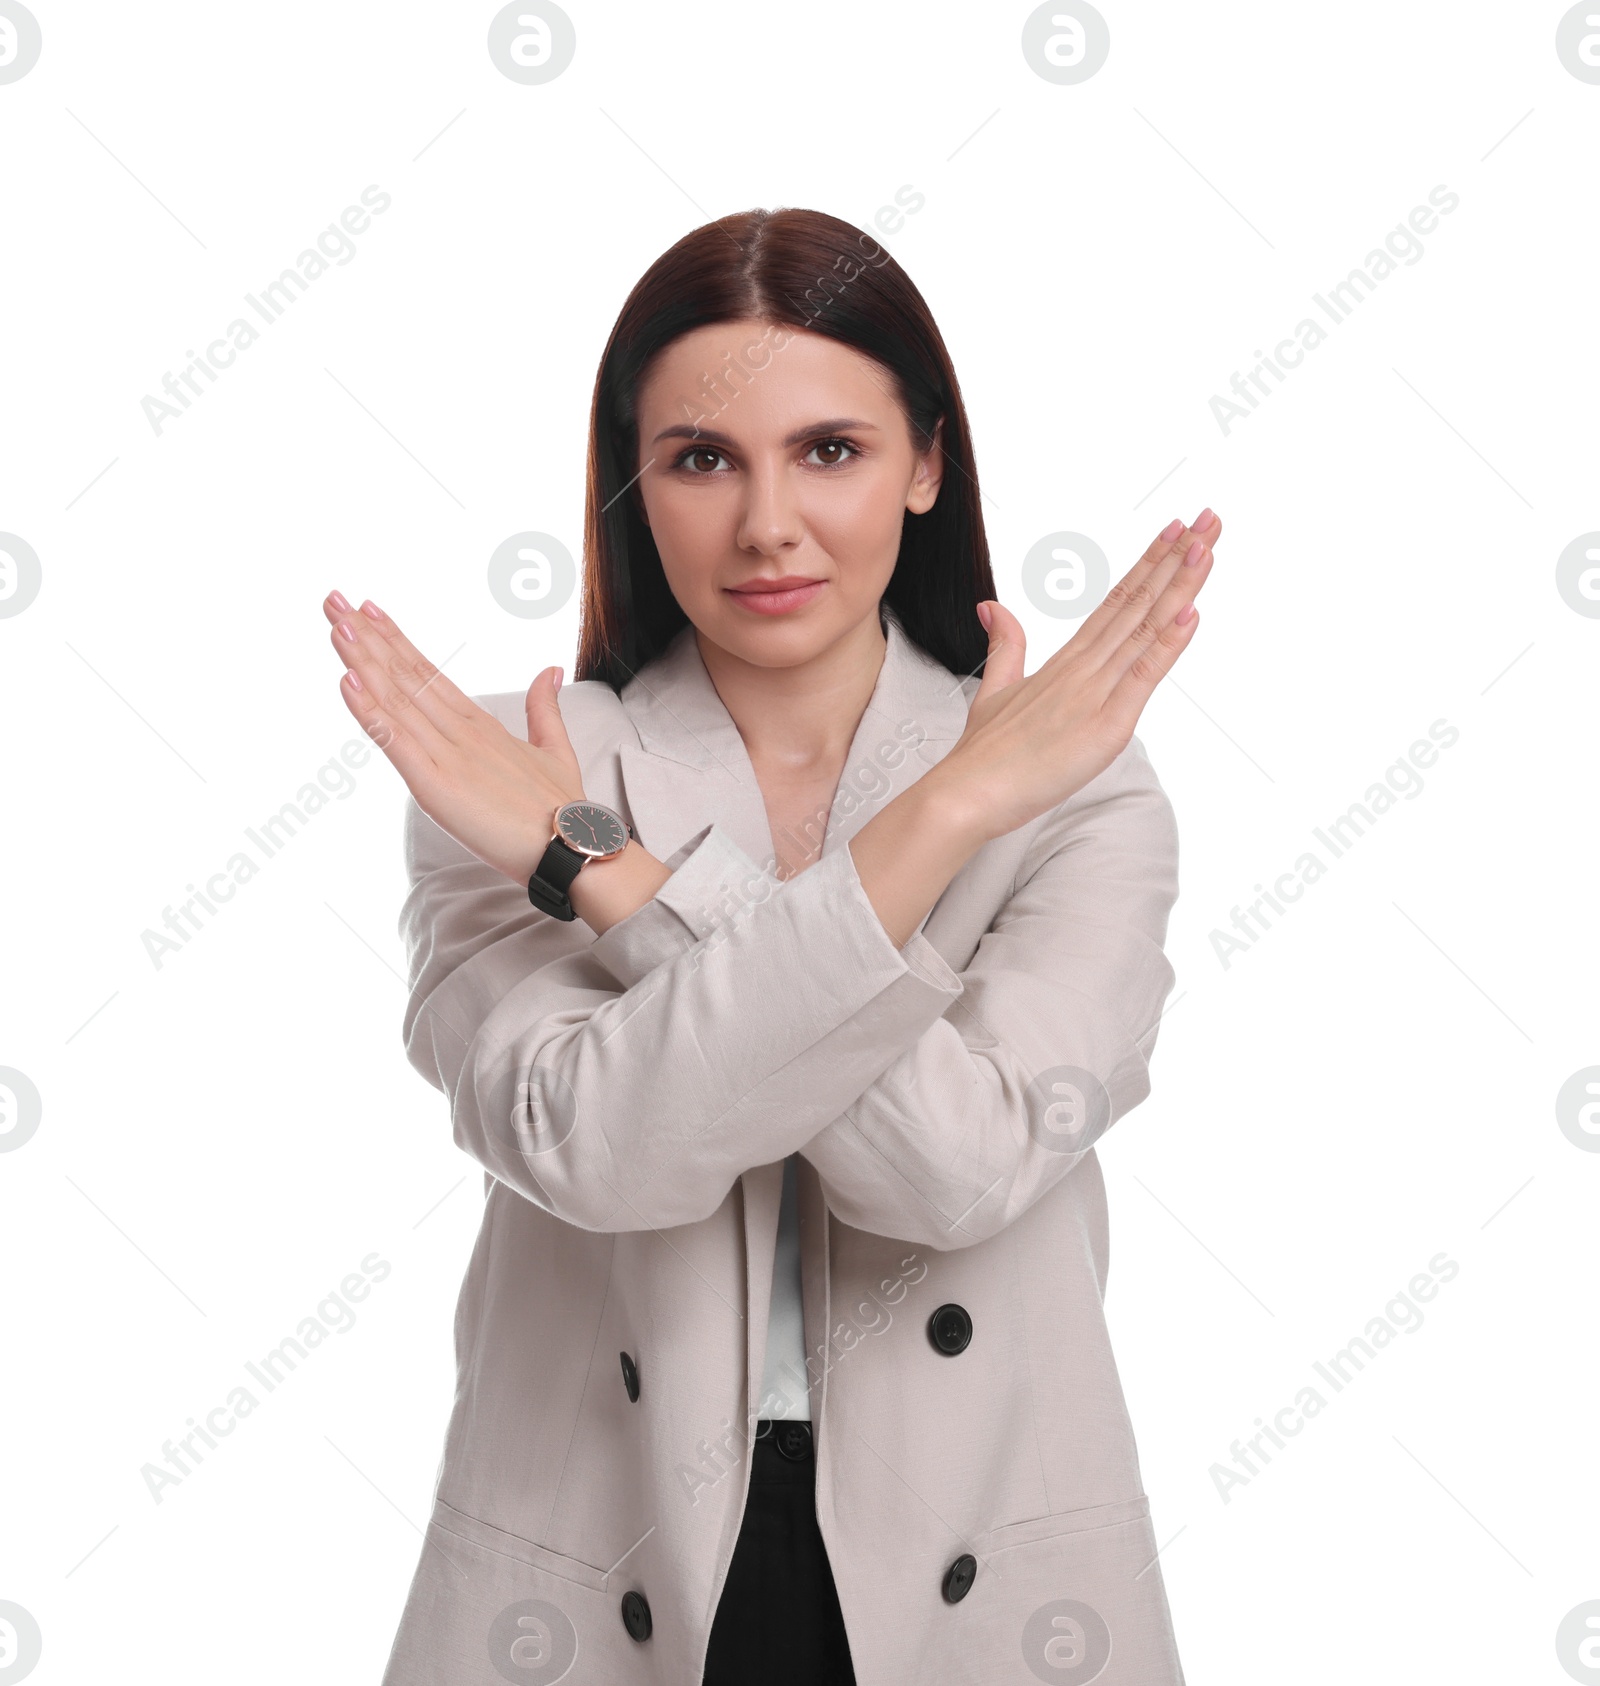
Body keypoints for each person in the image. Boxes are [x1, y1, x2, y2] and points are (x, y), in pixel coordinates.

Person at [324, 207, 1217, 1686]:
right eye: (701, 459)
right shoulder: (508, 771)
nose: (767, 525)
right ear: (636, 483)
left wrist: (609, 880)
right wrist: (929, 830)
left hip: (989, 1580)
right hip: (595, 1562)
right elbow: (589, 1142)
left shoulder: (1074, 785)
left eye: (830, 450)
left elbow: (957, 1171)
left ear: (926, 461)